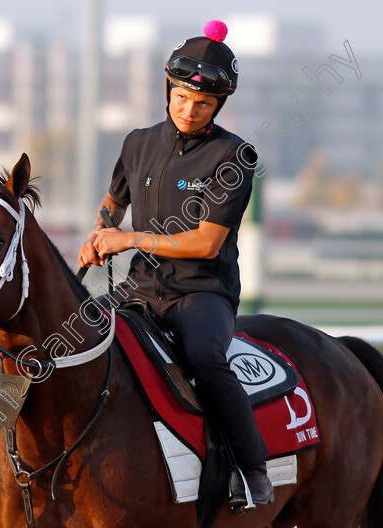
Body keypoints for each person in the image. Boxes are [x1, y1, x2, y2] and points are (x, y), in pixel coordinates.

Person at [77, 20, 273, 509]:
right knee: (73, 337)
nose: (189, 110)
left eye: (203, 104)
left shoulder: (235, 156)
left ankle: (252, 470)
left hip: (201, 294)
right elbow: (112, 202)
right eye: (182, 98)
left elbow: (207, 244)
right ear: (168, 89)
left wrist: (129, 238)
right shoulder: (136, 142)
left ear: (219, 106)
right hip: (137, 291)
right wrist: (98, 233)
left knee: (207, 361)